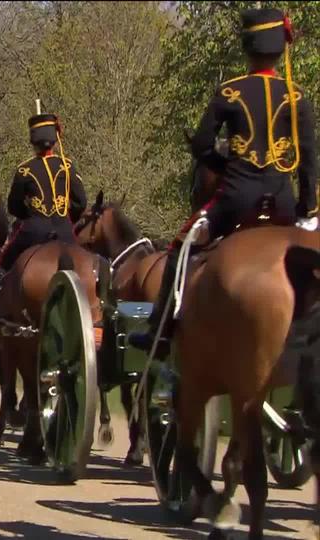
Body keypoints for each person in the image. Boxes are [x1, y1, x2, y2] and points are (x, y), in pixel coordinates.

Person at [129, 8, 318, 352]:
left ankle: (161, 331)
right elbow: (308, 161)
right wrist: (308, 209)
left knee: (179, 246)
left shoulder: (230, 92)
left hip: (235, 200)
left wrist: (226, 163)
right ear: (280, 49)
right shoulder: (298, 96)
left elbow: (201, 144)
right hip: (282, 203)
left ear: (248, 49)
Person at [0, 113, 87, 330]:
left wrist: (30, 213)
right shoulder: (68, 165)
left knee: (0, 266)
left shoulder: (24, 169)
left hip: (34, 229)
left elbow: (14, 207)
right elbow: (81, 202)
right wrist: (65, 217)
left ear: (33, 140)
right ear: (54, 139)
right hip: (64, 230)